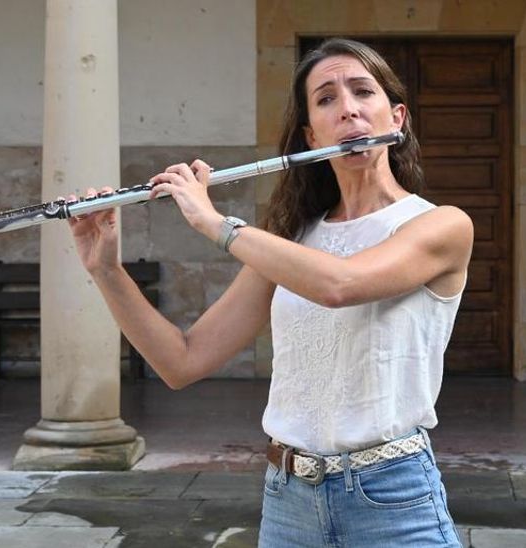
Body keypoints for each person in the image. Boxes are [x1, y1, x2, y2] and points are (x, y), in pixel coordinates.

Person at [66, 37, 471, 547]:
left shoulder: (441, 226)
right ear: (309, 134)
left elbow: (340, 284)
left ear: (397, 118)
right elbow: (181, 361)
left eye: (362, 92)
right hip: (289, 501)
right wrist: (105, 268)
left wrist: (214, 222)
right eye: (326, 99)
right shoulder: (290, 242)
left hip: (392, 498)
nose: (347, 109)